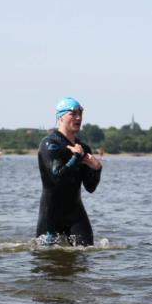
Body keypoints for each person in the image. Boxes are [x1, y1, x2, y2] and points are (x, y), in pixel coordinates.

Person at [36, 97, 102, 245]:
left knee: (86, 253)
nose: (78, 118)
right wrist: (76, 157)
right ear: (60, 117)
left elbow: (90, 187)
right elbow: (57, 176)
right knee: (48, 262)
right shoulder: (49, 144)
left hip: (75, 214)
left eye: (80, 113)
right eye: (73, 113)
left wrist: (97, 168)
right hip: (51, 215)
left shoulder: (83, 148)